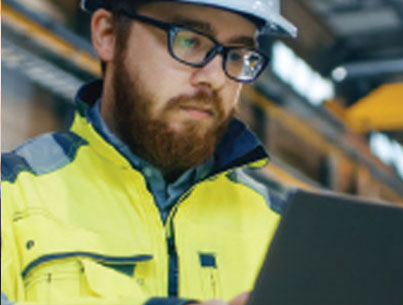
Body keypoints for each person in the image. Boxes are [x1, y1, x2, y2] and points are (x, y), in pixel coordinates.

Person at [1, 0, 296, 304]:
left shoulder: (285, 230)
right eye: (188, 40)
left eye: (237, 55)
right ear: (108, 34)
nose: (216, 78)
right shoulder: (10, 198)